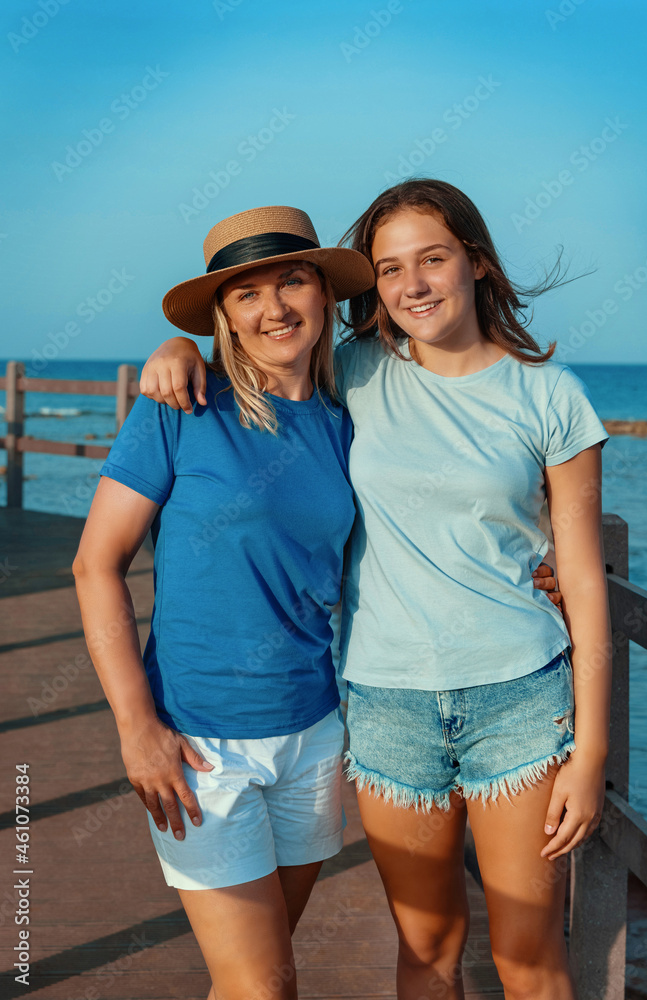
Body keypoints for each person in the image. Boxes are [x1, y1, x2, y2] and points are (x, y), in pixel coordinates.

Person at [138, 180, 602, 1000]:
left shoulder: (551, 396)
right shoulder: (352, 371)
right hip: (386, 703)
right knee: (426, 955)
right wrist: (176, 353)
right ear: (373, 286)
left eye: (433, 259)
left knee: (530, 960)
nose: (413, 284)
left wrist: (591, 750)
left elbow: (587, 580)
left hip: (521, 700)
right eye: (390, 268)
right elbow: (259, 351)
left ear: (478, 264)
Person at [72, 205, 377, 1000]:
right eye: (245, 294)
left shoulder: (351, 424)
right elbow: (94, 566)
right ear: (224, 317)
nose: (273, 307)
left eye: (292, 280)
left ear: (325, 295)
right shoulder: (180, 408)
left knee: (252, 979)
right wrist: (136, 727)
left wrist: (540, 561)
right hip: (199, 747)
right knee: (264, 987)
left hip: (312, 735)